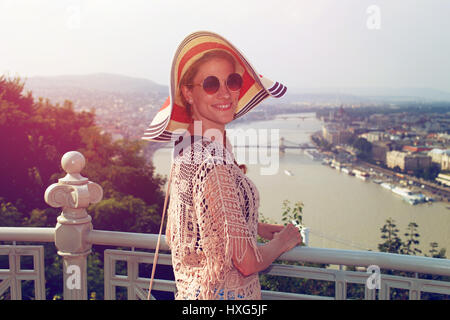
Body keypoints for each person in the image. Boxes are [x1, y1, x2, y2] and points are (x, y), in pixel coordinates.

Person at [142, 31, 302, 300]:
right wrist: (281, 242)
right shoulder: (213, 163)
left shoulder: (185, 150)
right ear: (188, 93)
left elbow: (179, 229)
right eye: (211, 84)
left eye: (233, 80)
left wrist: (250, 225)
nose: (226, 92)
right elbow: (247, 262)